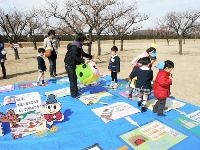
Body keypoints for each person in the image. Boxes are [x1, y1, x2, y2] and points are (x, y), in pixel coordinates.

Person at [64, 33, 95, 98]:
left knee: (74, 78)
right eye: (83, 40)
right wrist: (83, 61)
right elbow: (74, 56)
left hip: (73, 64)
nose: (84, 41)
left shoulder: (78, 45)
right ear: (80, 40)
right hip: (69, 65)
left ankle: (75, 90)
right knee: (73, 80)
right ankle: (74, 94)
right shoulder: (74, 46)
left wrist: (90, 56)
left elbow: (82, 53)